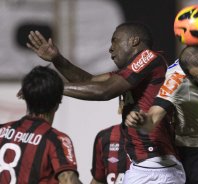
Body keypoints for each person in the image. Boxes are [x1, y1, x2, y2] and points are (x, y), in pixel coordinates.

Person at [26, 22, 185, 184]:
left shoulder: (149, 57)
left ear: (134, 41)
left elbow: (105, 90)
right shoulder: (132, 72)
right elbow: (89, 81)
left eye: (115, 40)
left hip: (157, 167)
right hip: (146, 167)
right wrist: (57, 59)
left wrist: (51, 87)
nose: (110, 48)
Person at [125, 36, 198, 184]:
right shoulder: (177, 82)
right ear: (190, 78)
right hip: (192, 150)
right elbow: (152, 119)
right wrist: (142, 121)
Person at [0, 66, 82, 184]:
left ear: (25, 97)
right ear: (58, 103)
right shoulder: (56, 139)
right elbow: (68, 180)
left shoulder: (2, 130)